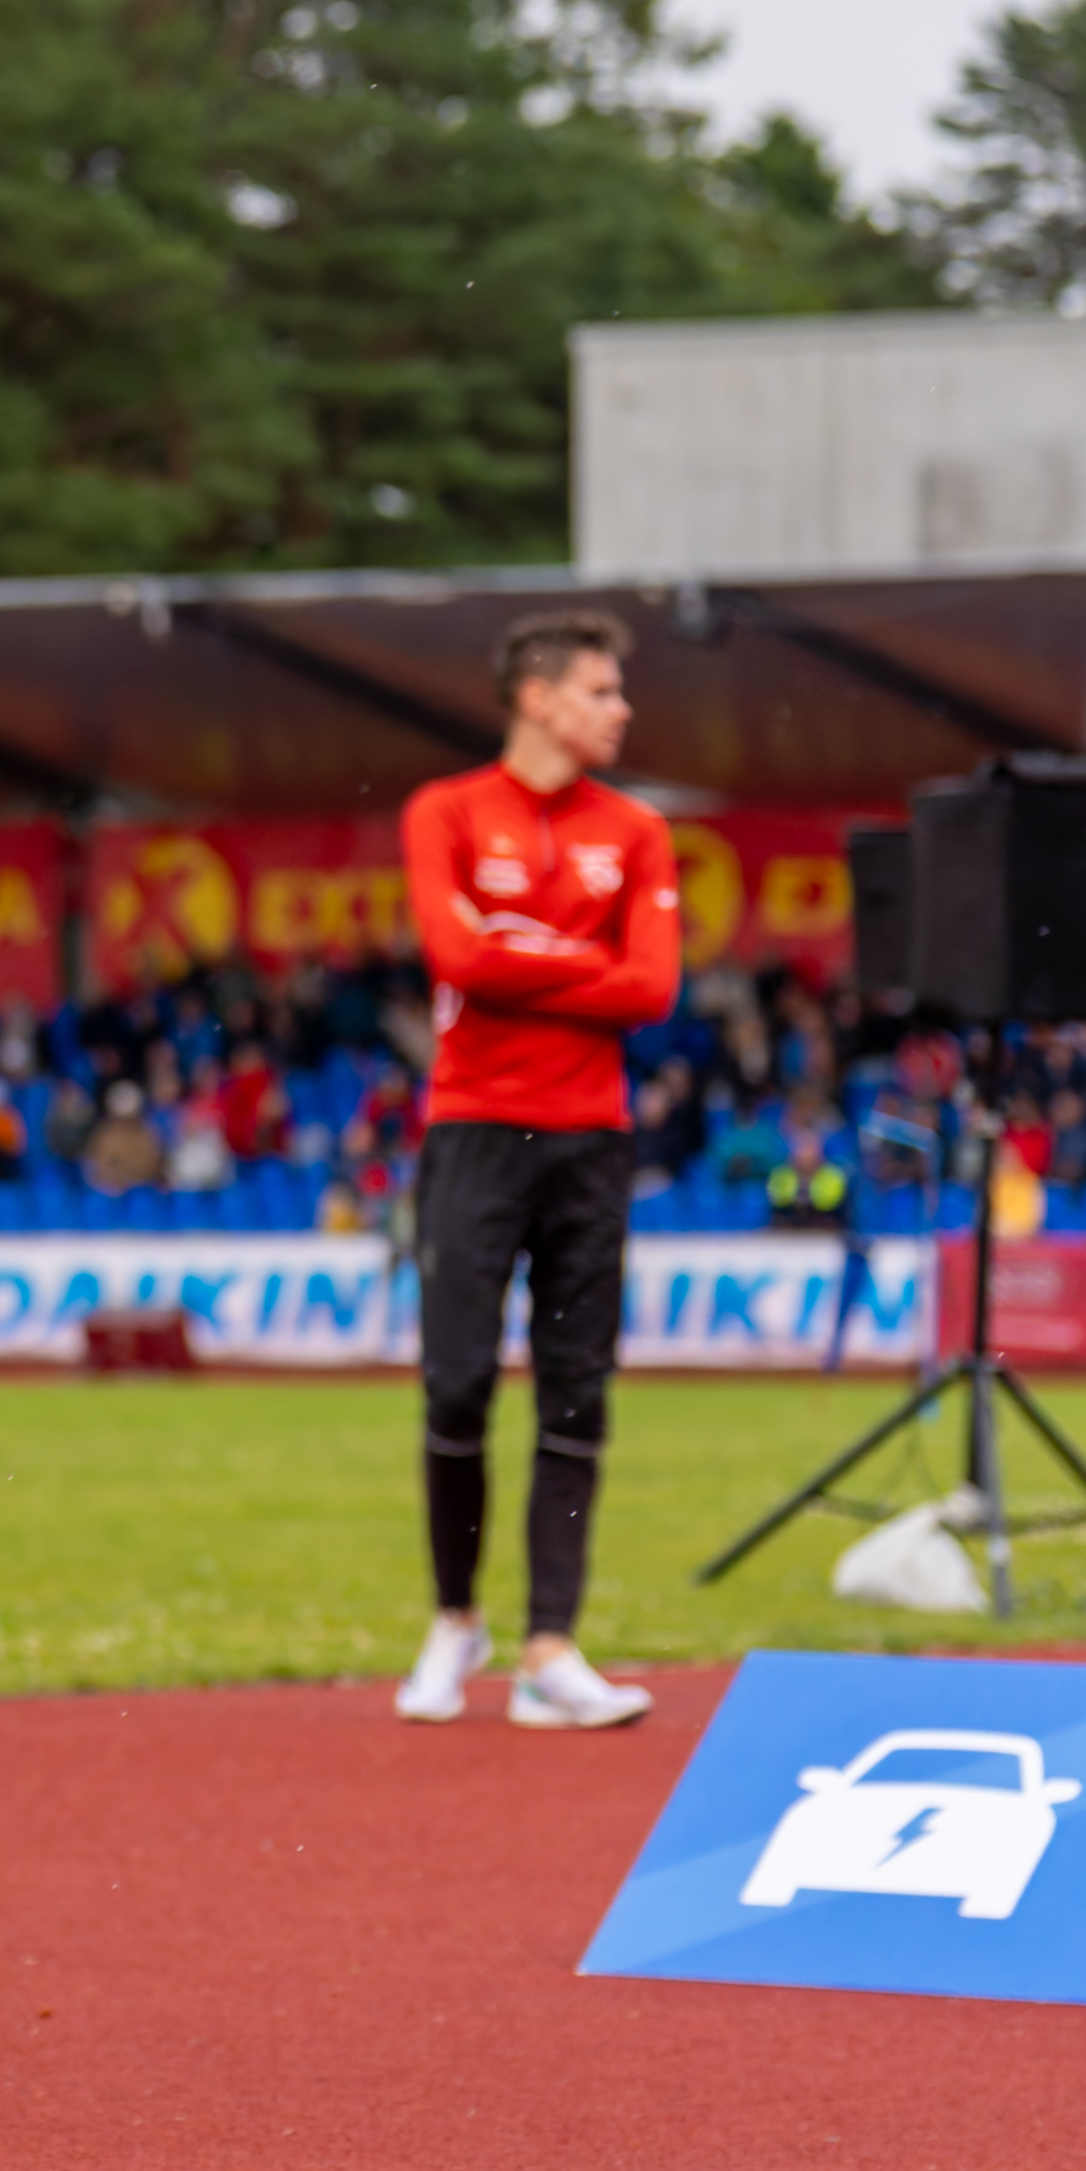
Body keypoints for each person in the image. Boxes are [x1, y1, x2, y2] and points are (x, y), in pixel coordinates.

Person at [392, 610, 677, 1733]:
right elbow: (452, 956)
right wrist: (580, 957)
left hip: (590, 1138)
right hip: (472, 1127)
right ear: (539, 698)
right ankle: (457, 1619)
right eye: (603, 692)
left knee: (577, 1384)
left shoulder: (639, 830)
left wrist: (523, 954)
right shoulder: (446, 811)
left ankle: (551, 1647)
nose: (622, 711)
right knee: (456, 1381)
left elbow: (651, 989)